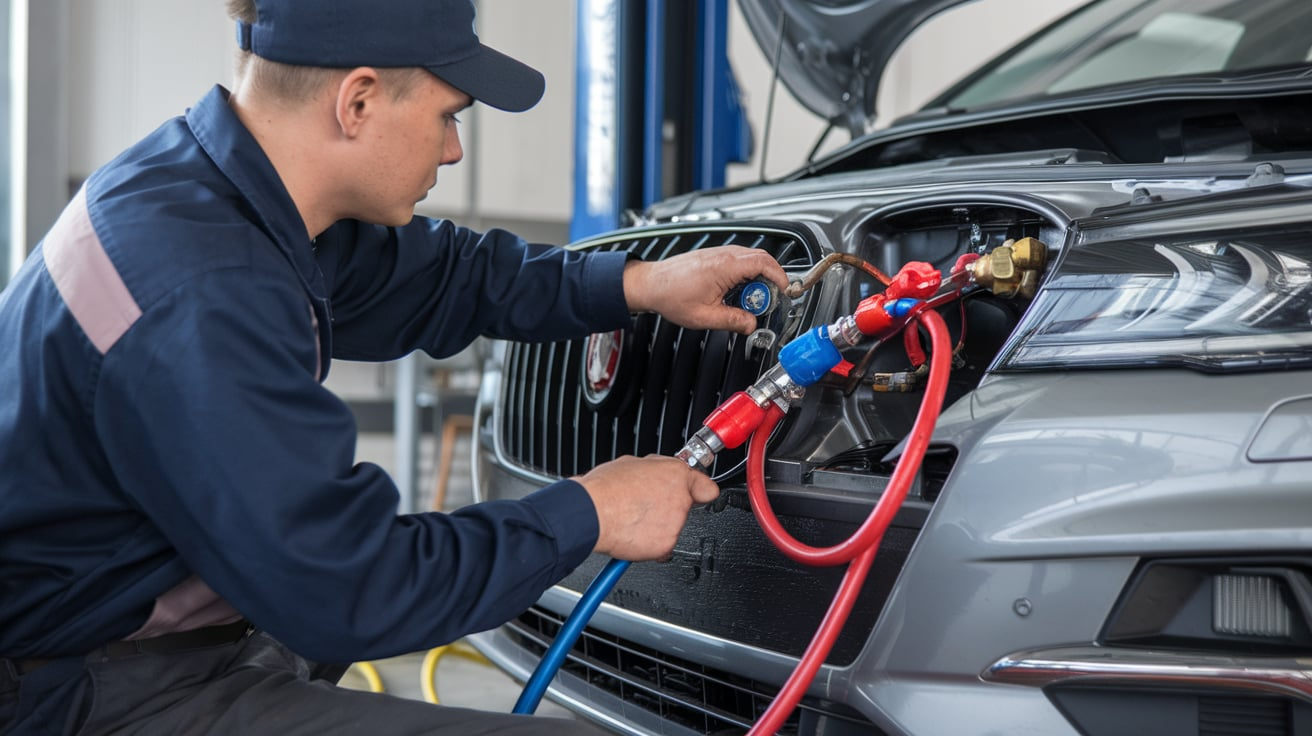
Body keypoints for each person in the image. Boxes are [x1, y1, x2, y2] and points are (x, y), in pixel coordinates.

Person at [0, 0, 788, 733]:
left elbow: (446, 278)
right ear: (359, 101)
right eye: (448, 115)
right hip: (79, 689)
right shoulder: (203, 287)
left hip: (135, 633)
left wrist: (640, 281)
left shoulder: (210, 191)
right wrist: (590, 512)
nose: (454, 147)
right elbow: (348, 586)